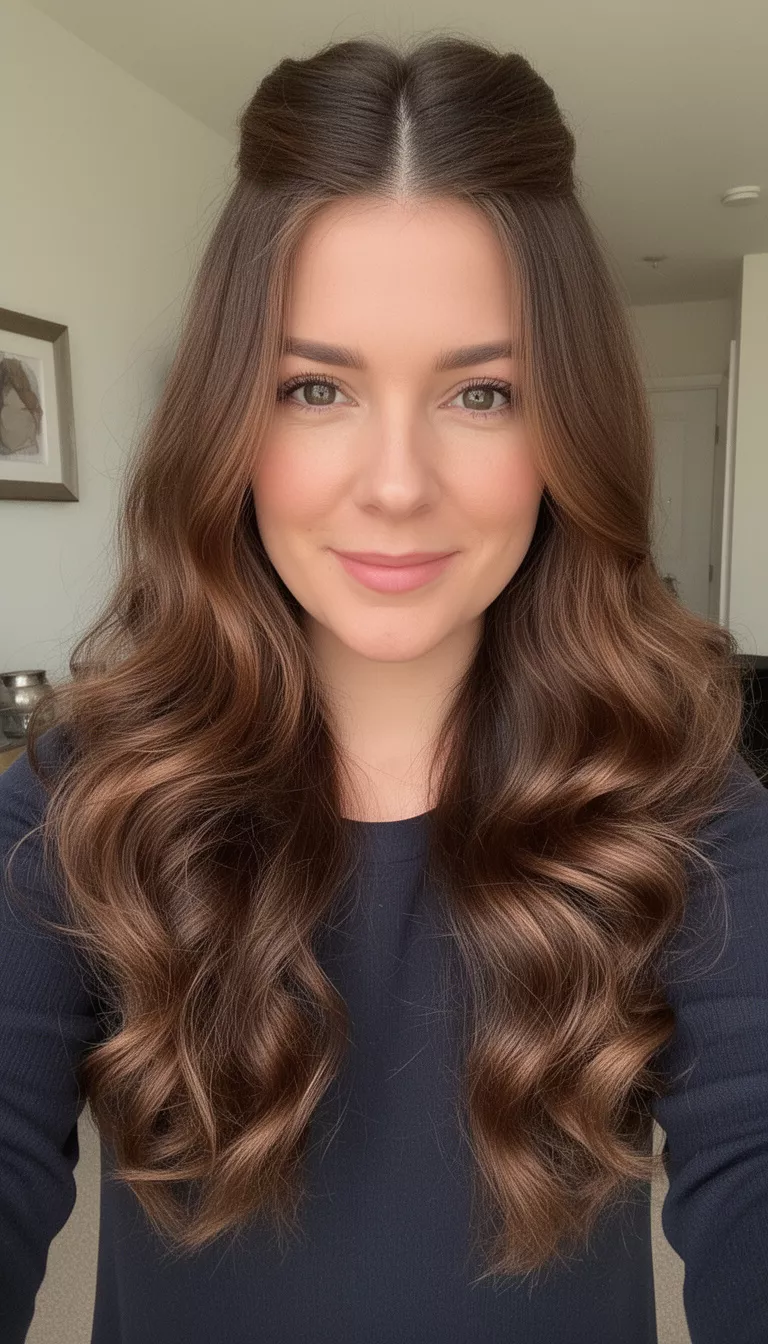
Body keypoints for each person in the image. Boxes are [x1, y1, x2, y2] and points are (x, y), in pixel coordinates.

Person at [1, 32, 767, 1344]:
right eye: (316, 388)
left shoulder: (688, 812)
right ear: (229, 421)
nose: (398, 483)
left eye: (482, 391)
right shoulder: (78, 806)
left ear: (565, 427)